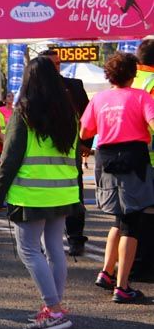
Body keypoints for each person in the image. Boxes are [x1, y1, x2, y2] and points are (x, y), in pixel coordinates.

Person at [0, 57, 81, 329]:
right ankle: (54, 307)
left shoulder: (23, 113)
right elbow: (76, 156)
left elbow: (10, 158)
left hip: (31, 194)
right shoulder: (70, 114)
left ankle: (53, 311)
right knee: (55, 249)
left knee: (29, 250)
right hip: (64, 192)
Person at [79, 52, 154, 303]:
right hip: (134, 156)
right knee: (132, 221)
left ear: (109, 75)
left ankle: (106, 273)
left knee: (118, 218)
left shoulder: (99, 99)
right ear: (133, 74)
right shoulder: (141, 96)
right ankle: (122, 287)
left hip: (106, 157)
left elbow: (85, 130)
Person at [42, 49, 91, 255]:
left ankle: (75, 238)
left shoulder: (74, 85)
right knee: (45, 195)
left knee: (74, 195)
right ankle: (44, 241)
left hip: (71, 153)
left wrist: (85, 143)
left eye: (58, 63)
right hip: (43, 155)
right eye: (51, 64)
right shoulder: (36, 88)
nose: (56, 67)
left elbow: (88, 116)